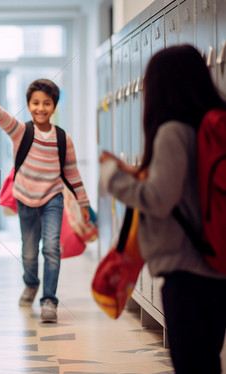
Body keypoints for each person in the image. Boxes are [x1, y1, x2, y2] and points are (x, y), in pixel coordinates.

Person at [99, 45, 226, 374]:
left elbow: (158, 198)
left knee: (193, 365)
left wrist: (113, 178)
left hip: (187, 270)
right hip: (215, 267)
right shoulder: (206, 125)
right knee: (206, 361)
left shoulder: (173, 131)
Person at [0, 79, 90, 322]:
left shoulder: (62, 138)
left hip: (53, 198)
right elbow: (5, 120)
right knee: (28, 252)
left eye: (47, 103)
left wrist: (83, 203)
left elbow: (71, 172)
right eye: (35, 103)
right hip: (25, 198)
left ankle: (49, 300)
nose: (41, 108)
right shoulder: (22, 131)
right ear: (28, 105)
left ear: (54, 106)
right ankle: (30, 283)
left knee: (50, 248)